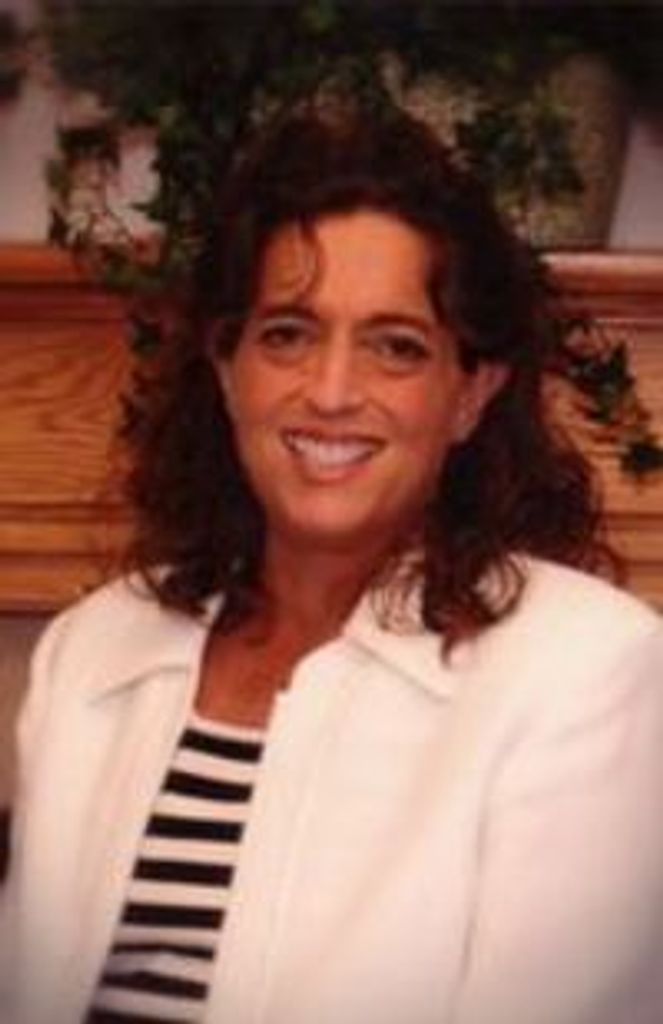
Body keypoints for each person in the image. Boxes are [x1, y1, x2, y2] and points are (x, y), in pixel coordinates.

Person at [2, 100, 662, 1024]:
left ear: (469, 394)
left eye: (396, 347)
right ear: (226, 366)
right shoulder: (91, 647)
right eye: (288, 334)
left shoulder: (588, 670)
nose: (331, 391)